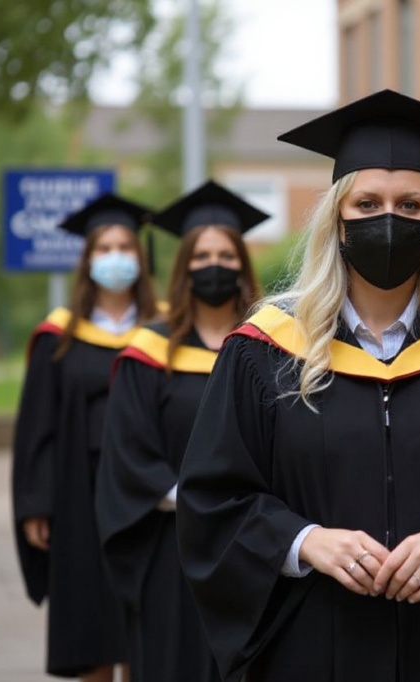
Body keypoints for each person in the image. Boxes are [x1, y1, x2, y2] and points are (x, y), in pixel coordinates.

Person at [175, 89, 420, 682]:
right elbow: (212, 502)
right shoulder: (265, 353)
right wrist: (304, 542)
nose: (389, 219)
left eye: (410, 205)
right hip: (313, 647)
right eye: (368, 203)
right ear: (337, 219)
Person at [95, 180, 267, 682]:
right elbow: (128, 453)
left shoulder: (269, 346)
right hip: (172, 548)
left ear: (242, 265)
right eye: (202, 255)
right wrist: (197, 501)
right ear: (184, 267)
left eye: (226, 255)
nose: (214, 265)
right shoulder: (149, 352)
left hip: (251, 544)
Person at [11, 193, 158, 681]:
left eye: (125, 247)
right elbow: (37, 424)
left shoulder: (162, 329)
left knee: (148, 629)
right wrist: (36, 503)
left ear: (140, 258)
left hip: (146, 496)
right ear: (88, 259)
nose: (116, 257)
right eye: (105, 248)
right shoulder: (59, 335)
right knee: (91, 627)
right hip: (79, 496)